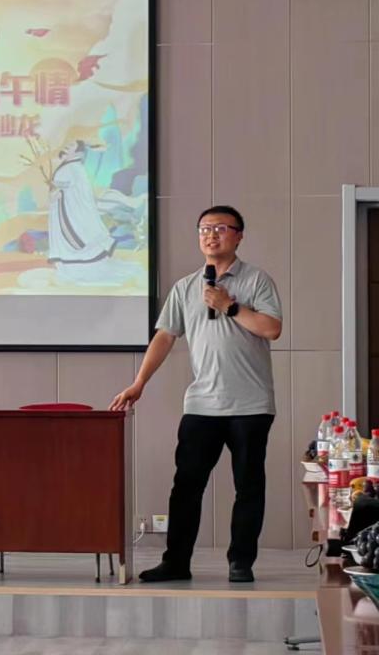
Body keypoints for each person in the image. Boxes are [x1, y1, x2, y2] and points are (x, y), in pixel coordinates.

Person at [109, 205, 282, 583]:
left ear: (239, 235)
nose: (211, 235)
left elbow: (271, 328)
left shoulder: (257, 280)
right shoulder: (186, 287)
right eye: (204, 229)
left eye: (220, 228)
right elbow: (165, 336)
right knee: (186, 485)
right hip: (202, 403)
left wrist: (228, 305)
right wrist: (139, 382)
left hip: (251, 404)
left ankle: (240, 563)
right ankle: (176, 562)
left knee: (248, 486)